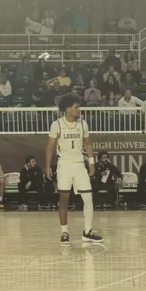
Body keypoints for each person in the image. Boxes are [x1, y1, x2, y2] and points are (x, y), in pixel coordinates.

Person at [46, 93, 103, 244]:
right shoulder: (57, 125)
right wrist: (47, 166)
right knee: (64, 199)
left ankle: (88, 232)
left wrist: (92, 162)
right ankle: (64, 232)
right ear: (67, 109)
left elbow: (88, 143)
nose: (79, 109)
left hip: (79, 164)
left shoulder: (83, 124)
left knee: (88, 198)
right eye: (76, 107)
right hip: (64, 165)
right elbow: (50, 146)